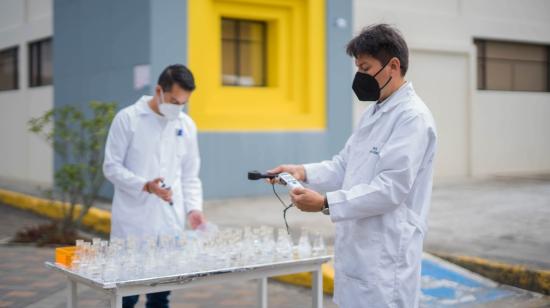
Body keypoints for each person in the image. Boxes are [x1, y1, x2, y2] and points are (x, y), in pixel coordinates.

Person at [268, 24, 437, 307]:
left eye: (366, 67)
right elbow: (344, 165)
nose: (360, 76)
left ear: (393, 66)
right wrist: (302, 171)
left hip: (386, 255)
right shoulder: (374, 112)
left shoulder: (412, 118)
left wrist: (325, 203)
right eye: (358, 67)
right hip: (357, 250)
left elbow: (391, 188)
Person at [103, 64, 206, 308]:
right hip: (133, 221)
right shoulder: (128, 119)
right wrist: (144, 185)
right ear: (159, 90)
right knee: (125, 293)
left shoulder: (186, 125)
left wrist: (194, 209)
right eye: (173, 100)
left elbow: (190, 175)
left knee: (161, 294)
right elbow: (111, 167)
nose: (177, 107)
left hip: (168, 221)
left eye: (183, 102)